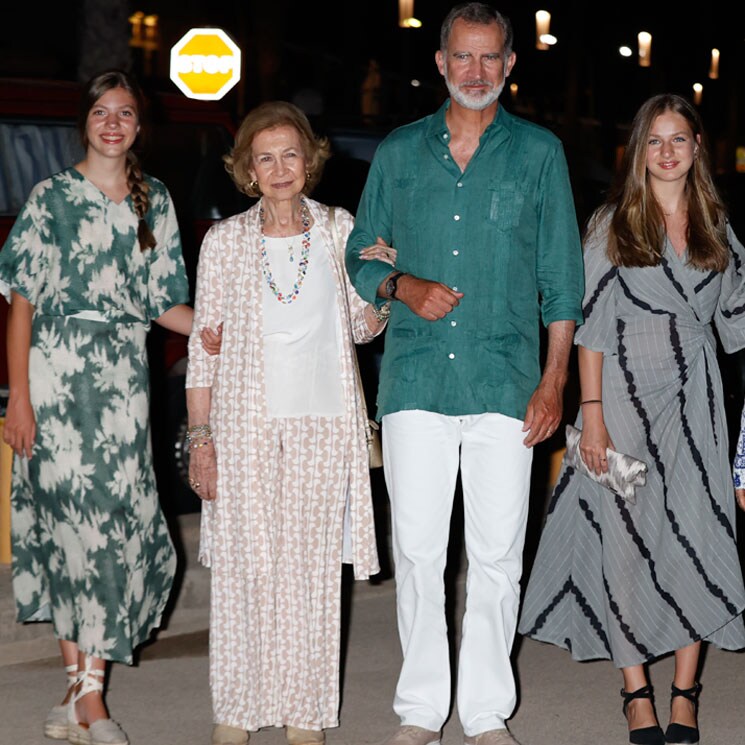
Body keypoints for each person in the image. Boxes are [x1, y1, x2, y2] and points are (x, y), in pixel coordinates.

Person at [344, 5, 585, 745]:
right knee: (418, 550)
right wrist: (400, 285)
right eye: (462, 58)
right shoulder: (398, 151)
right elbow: (359, 255)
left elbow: (562, 281)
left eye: (489, 59)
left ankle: (483, 713)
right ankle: (421, 708)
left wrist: (552, 383)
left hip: (506, 383)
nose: (475, 72)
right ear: (441, 64)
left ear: (509, 65)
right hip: (417, 380)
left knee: (495, 554)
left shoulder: (538, 153)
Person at [0, 68, 221, 745]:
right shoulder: (49, 198)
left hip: (124, 385)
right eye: (101, 110)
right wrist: (20, 400)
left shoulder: (152, 200)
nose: (113, 121)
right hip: (57, 380)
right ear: (85, 122)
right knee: (73, 530)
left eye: (125, 111)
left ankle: (76, 693)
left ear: (138, 126)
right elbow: (21, 306)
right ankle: (92, 699)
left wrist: (224, 329)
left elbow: (164, 304)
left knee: (115, 529)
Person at [519, 93, 745, 745]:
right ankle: (635, 692)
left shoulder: (717, 227)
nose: (666, 152)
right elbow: (588, 328)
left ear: (697, 148)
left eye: (678, 139)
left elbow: (735, 323)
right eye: (654, 141)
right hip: (620, 399)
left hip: (696, 404)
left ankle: (684, 692)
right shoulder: (611, 224)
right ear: (637, 150)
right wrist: (591, 417)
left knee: (698, 536)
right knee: (624, 543)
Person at [185, 100, 394, 745]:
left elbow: (362, 329)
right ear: (248, 169)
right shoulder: (224, 242)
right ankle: (238, 713)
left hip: (323, 427)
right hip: (245, 426)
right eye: (264, 157)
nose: (279, 168)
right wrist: (201, 440)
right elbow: (202, 347)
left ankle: (305, 714)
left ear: (310, 160)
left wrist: (381, 281)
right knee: (247, 574)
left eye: (290, 155)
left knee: (309, 577)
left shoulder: (339, 230)